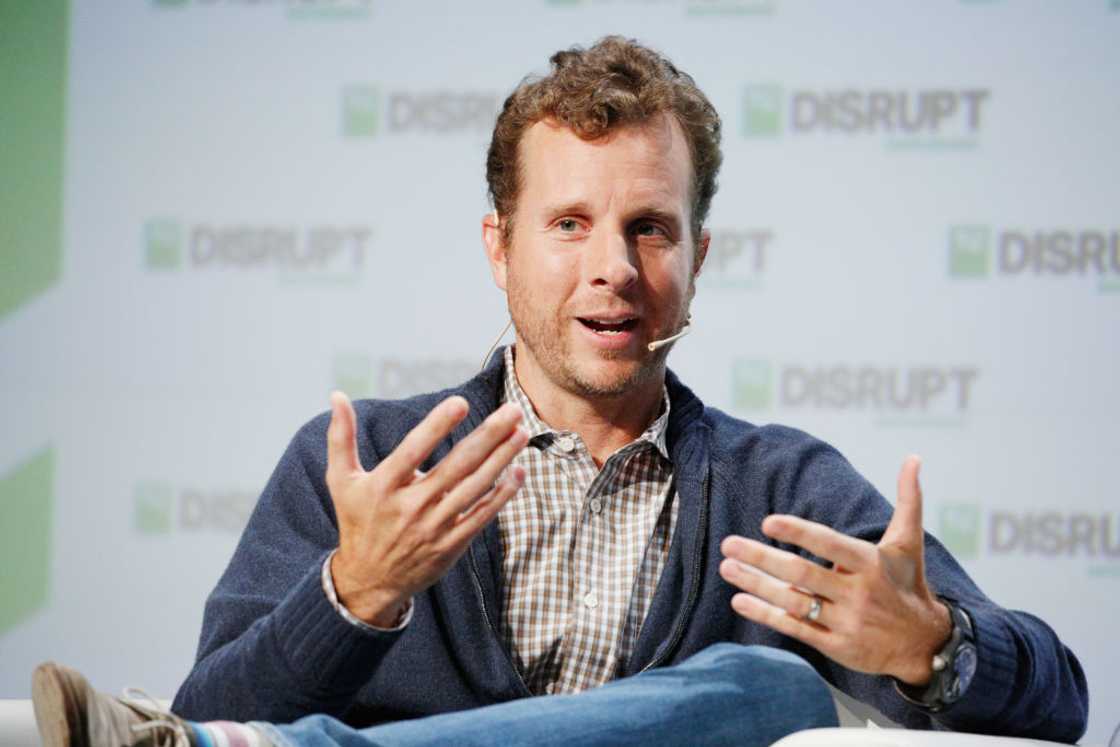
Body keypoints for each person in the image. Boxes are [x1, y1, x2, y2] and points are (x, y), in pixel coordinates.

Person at [32, 36, 1088, 747]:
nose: (614, 270)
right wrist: (351, 595)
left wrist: (934, 648)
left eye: (650, 228)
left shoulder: (782, 484)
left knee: (765, 690)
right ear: (499, 247)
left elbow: (1061, 700)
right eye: (569, 223)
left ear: (697, 254)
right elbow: (215, 704)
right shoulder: (368, 467)